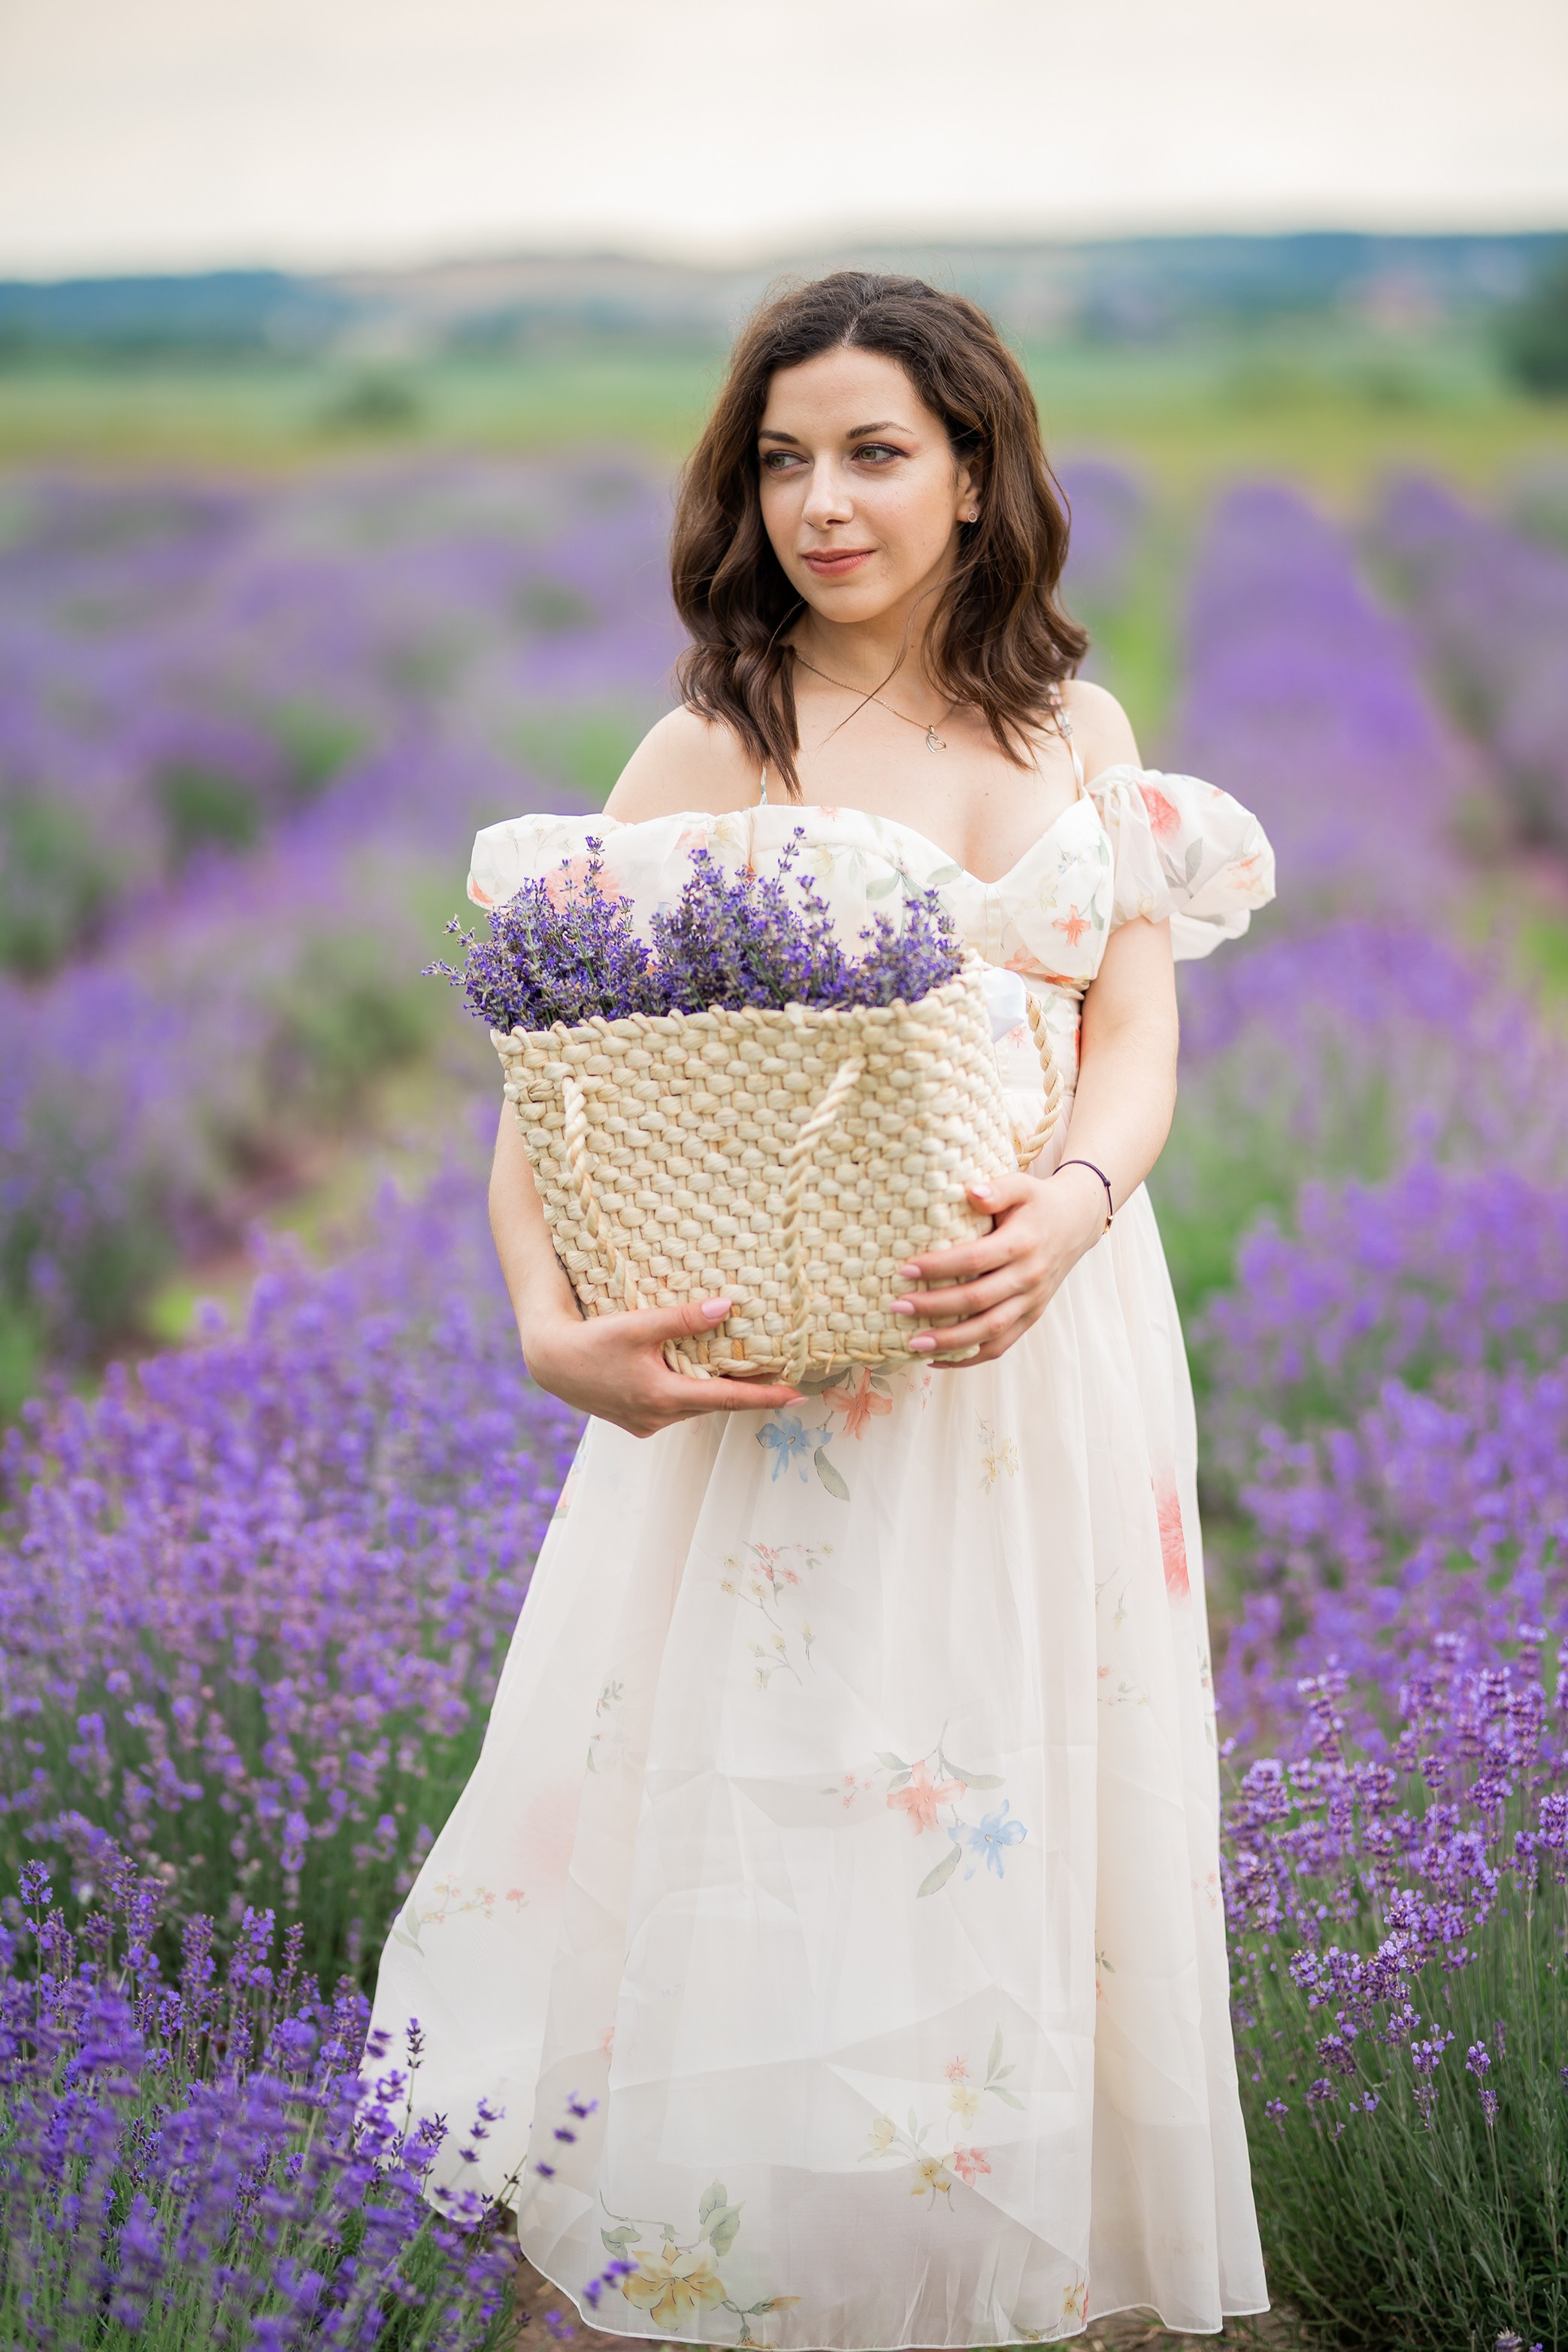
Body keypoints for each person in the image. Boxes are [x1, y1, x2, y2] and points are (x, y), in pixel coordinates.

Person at [365, 271, 1275, 2345]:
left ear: (977, 473)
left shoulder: (1079, 728)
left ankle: (966, 2253)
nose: (822, 501)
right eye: (782, 459)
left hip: (1035, 1346)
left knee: (1004, 1781)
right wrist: (543, 1320)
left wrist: (1066, 1201)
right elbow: (557, 1088)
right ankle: (760, 2258)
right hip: (780, 1378)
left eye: (874, 452)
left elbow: (1131, 1039)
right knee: (782, 1774)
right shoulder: (707, 745)